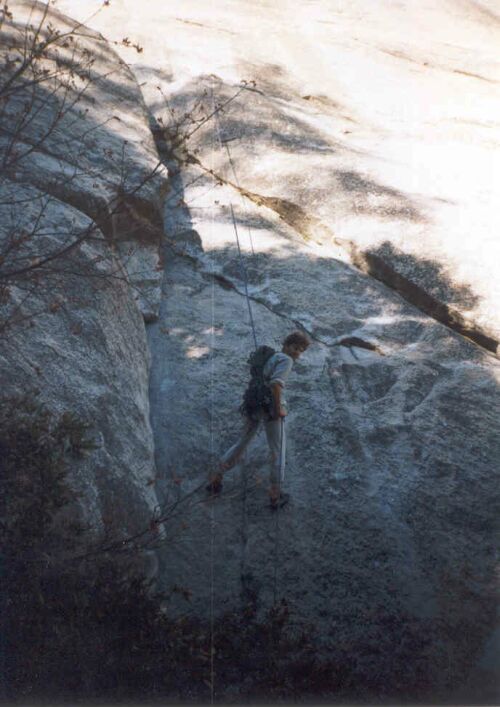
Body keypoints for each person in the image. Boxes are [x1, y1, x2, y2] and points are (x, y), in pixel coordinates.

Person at [207, 331, 310, 509]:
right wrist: (278, 410)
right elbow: (276, 385)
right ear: (286, 344)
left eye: (301, 350)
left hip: (254, 404)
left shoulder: (271, 357)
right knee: (278, 450)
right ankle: (275, 494)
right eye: (295, 347)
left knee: (242, 442)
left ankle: (216, 477)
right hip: (270, 407)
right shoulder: (286, 360)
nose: (297, 353)